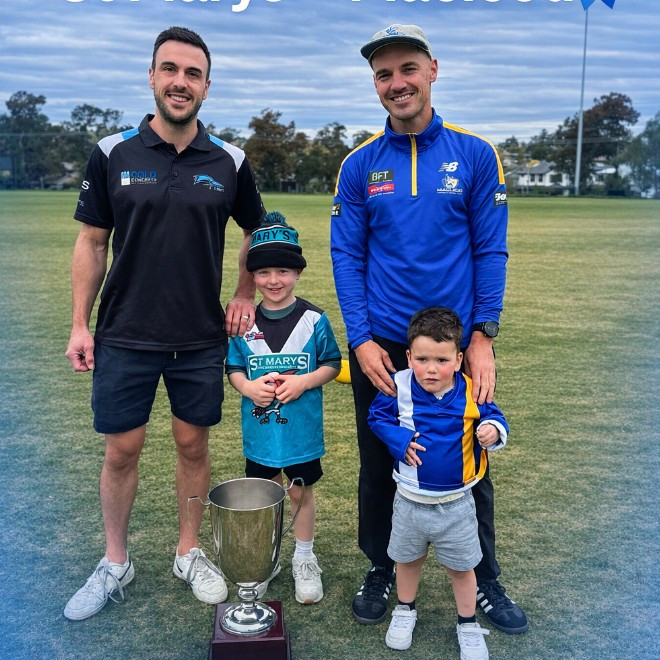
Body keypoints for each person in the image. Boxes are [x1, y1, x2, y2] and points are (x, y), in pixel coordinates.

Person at [330, 24, 528, 634]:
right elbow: (347, 255)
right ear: (375, 83)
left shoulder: (475, 154)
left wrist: (482, 337)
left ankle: (485, 578)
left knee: (470, 458)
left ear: (432, 70)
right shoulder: (359, 164)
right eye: (384, 74)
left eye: (407, 69)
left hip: (454, 345)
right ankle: (381, 567)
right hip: (387, 345)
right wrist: (361, 339)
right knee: (379, 460)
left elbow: (490, 249)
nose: (397, 83)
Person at [63, 26, 266, 621]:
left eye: (192, 73)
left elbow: (256, 229)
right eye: (170, 70)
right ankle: (115, 561)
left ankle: (188, 551)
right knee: (121, 451)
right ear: (152, 77)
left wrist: (244, 292)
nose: (181, 82)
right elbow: (92, 241)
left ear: (207, 85)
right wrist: (79, 324)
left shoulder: (230, 160)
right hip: (124, 333)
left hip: (199, 336)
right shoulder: (112, 152)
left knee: (192, 445)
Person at [369, 307, 507, 657]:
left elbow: (495, 415)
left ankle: (467, 623)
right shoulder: (399, 386)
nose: (431, 369)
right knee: (407, 561)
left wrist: (493, 430)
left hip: (458, 505)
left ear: (459, 359)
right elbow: (377, 418)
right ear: (408, 357)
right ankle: (405, 610)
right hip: (409, 501)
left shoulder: (472, 390)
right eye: (422, 359)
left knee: (462, 568)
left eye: (442, 360)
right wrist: (399, 440)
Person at [226, 211, 342, 605]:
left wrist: (304, 381)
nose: (273, 280)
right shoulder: (245, 322)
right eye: (263, 272)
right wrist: (247, 387)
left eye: (283, 271)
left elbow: (332, 364)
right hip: (260, 434)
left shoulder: (314, 319)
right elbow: (234, 368)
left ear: (298, 272)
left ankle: (304, 558)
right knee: (265, 496)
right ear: (252, 275)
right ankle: (266, 558)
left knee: (299, 493)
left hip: (300, 433)